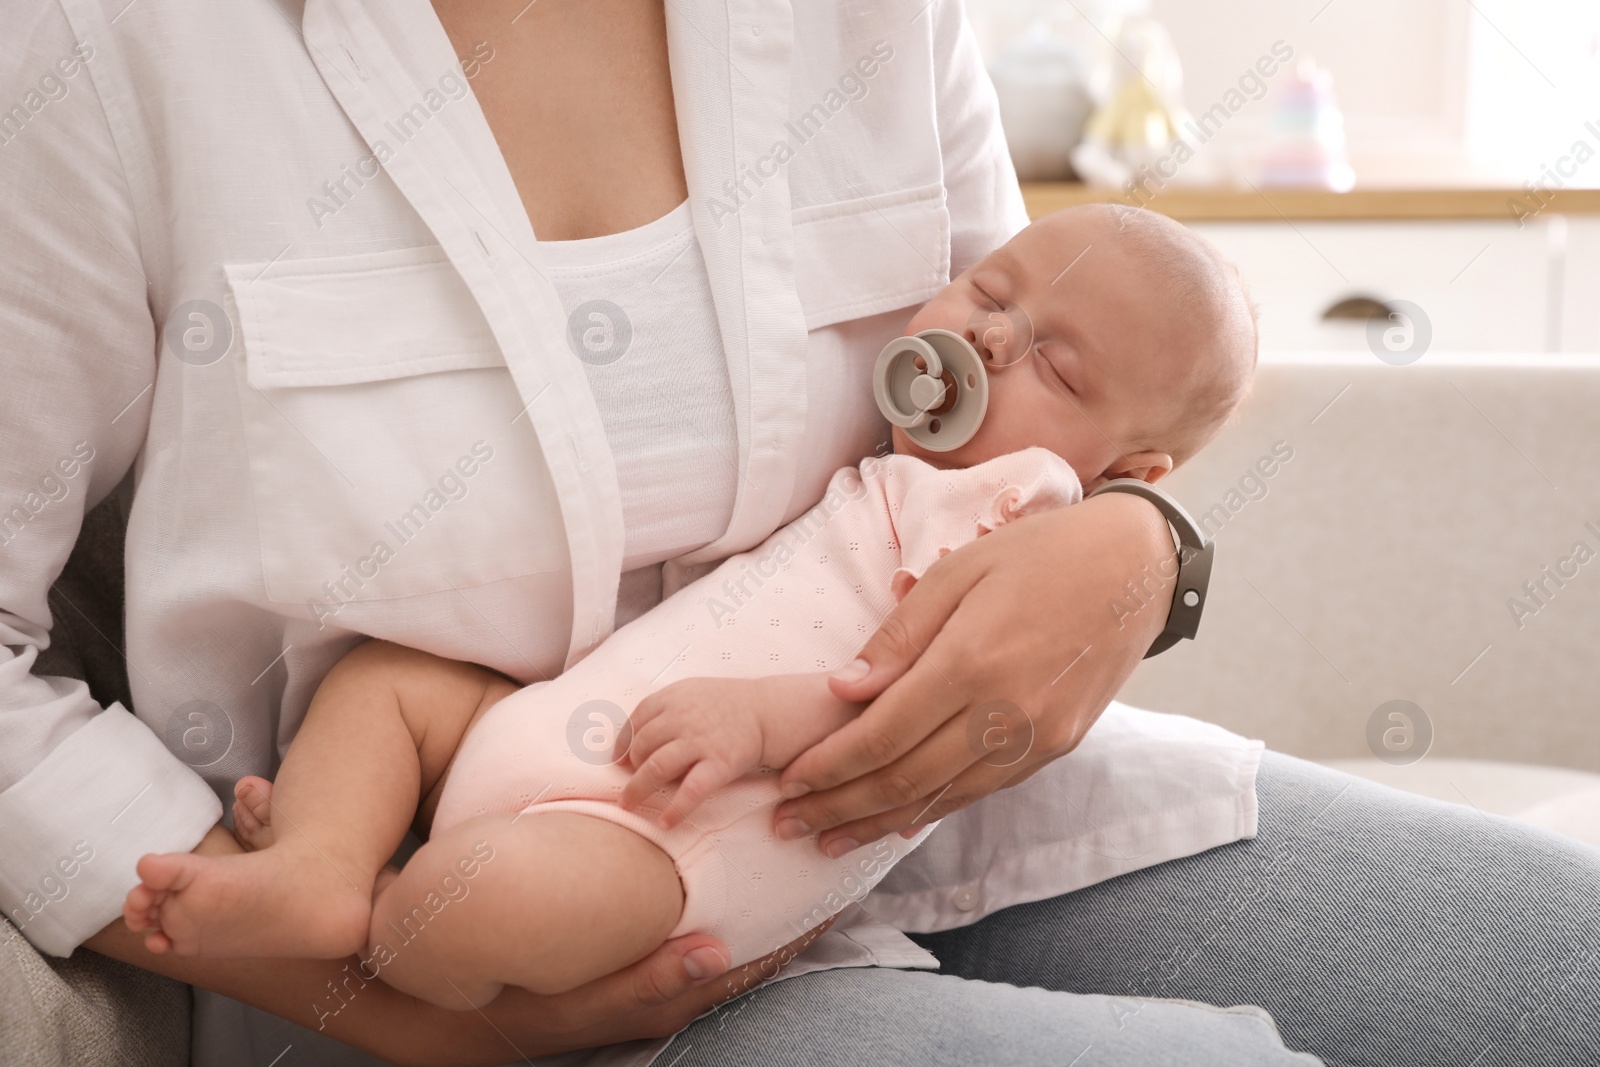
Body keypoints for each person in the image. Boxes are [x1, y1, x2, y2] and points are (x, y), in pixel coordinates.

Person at [2, 3, 1596, 1066]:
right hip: (538, 929)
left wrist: (1143, 554)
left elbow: (1043, 379)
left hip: (921, 818)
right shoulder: (100, 49)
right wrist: (365, 998)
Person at [121, 204, 1260, 1005]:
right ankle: (321, 863)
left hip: (664, 844)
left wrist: (767, 718)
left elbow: (921, 691)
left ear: (1130, 475)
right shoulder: (911, 460)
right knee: (387, 678)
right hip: (566, 718)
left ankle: (379, 915)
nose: (990, 338)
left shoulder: (1024, 507)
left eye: (1055, 369)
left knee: (476, 905)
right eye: (992, 291)